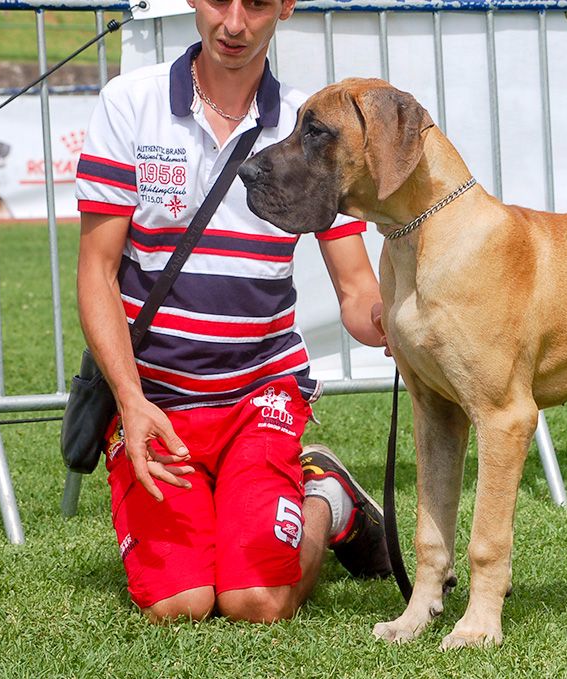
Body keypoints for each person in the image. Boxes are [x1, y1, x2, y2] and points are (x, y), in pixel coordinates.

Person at [74, 0, 391, 623]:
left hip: (260, 396)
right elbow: (97, 272)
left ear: (288, 6)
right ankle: (258, 501)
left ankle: (330, 500)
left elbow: (356, 290)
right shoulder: (128, 102)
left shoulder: (309, 126)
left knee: (254, 602)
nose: (235, 24)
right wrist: (131, 402)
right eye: (220, 0)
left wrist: (401, 327)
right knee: (179, 605)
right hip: (157, 401)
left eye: (259, 4)